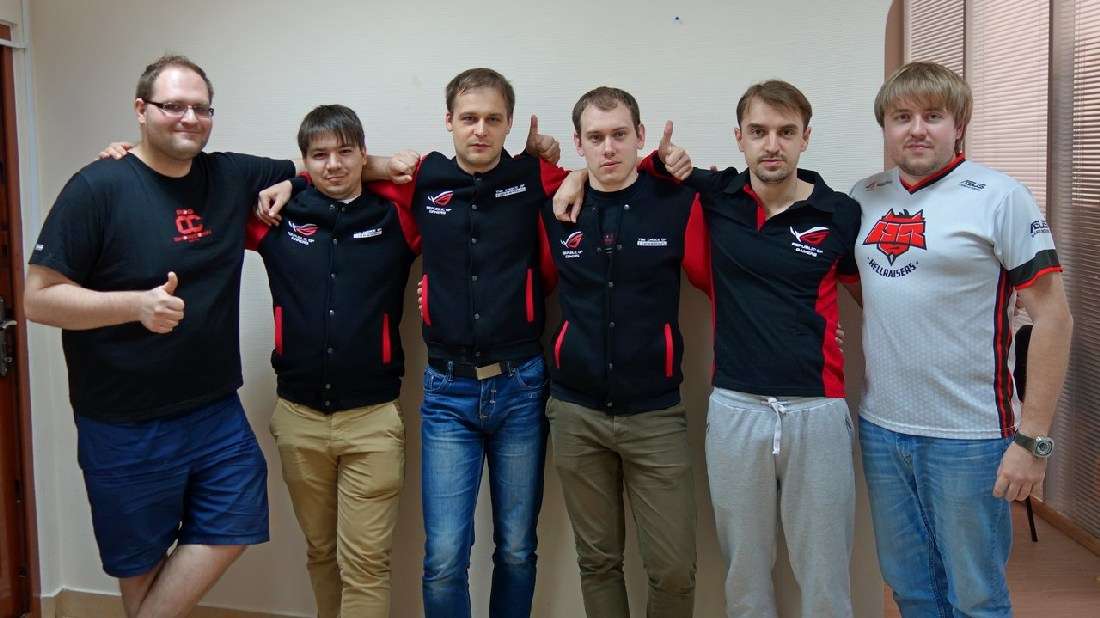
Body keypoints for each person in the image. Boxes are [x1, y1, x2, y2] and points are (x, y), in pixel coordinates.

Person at [259, 67, 565, 618]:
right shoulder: (425, 180)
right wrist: (295, 182)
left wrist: (570, 169)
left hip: (520, 384)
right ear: (448, 121)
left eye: (492, 119)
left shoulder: (531, 176)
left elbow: (596, 176)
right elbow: (343, 175)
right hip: (448, 391)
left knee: (518, 547)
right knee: (444, 555)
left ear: (509, 123)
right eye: (468, 118)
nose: (480, 130)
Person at [23, 55, 298, 618]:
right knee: (140, 563)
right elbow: (37, 297)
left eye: (201, 108)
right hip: (124, 422)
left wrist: (293, 182)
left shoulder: (228, 175)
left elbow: (325, 163)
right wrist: (135, 306)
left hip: (214, 409)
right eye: (173, 106)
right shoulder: (97, 187)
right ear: (141, 110)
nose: (189, 118)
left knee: (237, 516)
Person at [849, 61, 1073, 617]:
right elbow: (870, 289)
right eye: (902, 117)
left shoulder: (1000, 197)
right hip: (883, 429)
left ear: (959, 125)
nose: (916, 129)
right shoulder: (864, 196)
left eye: (933, 116)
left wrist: (1033, 442)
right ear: (885, 126)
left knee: (976, 597)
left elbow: (1053, 319)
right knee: (910, 588)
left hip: (970, 436)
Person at [635, 79, 863, 617]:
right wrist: (653, 162)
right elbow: (641, 175)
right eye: (758, 132)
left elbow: (871, 293)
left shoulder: (840, 212)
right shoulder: (716, 194)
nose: (772, 145)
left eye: (786, 132)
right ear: (739, 138)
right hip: (736, 407)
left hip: (817, 409)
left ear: (806, 138)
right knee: (744, 574)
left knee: (826, 576)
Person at [246, 104, 418, 617]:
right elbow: (207, 186)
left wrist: (381, 166)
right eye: (319, 155)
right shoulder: (277, 217)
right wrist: (292, 184)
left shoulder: (395, 218)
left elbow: (439, 181)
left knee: (366, 564)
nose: (334, 164)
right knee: (321, 553)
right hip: (297, 418)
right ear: (304, 160)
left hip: (372, 421)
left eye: (346, 152)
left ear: (363, 154)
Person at [539, 86, 702, 617]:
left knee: (674, 570)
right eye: (595, 138)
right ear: (579, 144)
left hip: (655, 415)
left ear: (640, 136)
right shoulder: (557, 209)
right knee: (598, 562)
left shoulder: (675, 201)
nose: (608, 148)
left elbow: (745, 196)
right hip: (576, 413)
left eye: (619, 135)